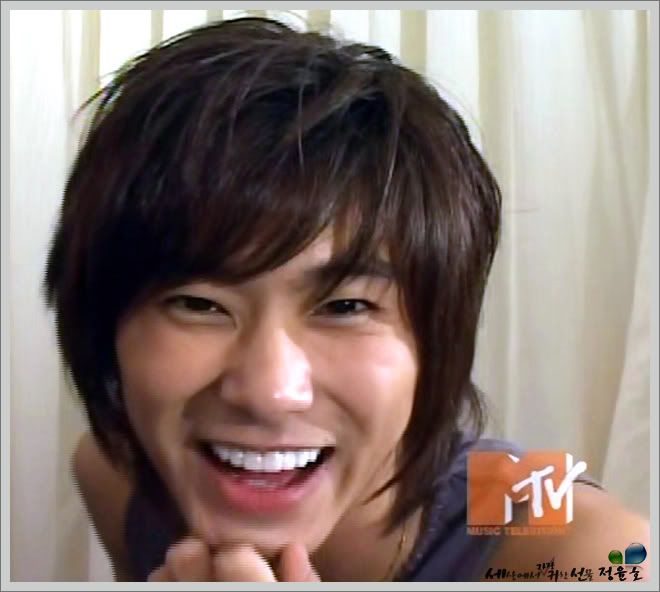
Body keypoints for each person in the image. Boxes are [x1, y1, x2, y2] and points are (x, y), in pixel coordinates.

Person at [44, 17, 649, 582]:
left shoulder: (581, 550)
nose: (271, 391)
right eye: (199, 304)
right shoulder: (117, 475)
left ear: (438, 339)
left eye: (346, 307)